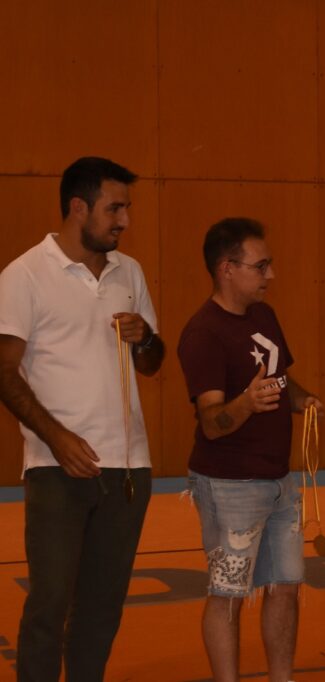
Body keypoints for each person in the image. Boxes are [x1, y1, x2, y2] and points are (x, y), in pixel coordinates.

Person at [0, 157, 164, 680]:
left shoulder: (129, 271)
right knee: (48, 607)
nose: (125, 221)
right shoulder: (24, 275)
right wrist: (57, 439)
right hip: (57, 469)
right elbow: (4, 371)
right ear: (78, 207)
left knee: (101, 609)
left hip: (129, 468)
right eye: (114, 209)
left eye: (126, 209)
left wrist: (146, 338)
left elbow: (152, 363)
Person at [178, 218, 323, 682]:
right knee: (228, 595)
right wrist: (246, 404)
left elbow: (280, 379)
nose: (270, 274)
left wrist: (303, 399)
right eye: (260, 266)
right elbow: (212, 422)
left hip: (279, 480)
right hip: (229, 485)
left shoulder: (264, 315)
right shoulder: (203, 334)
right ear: (227, 269)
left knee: (285, 587)